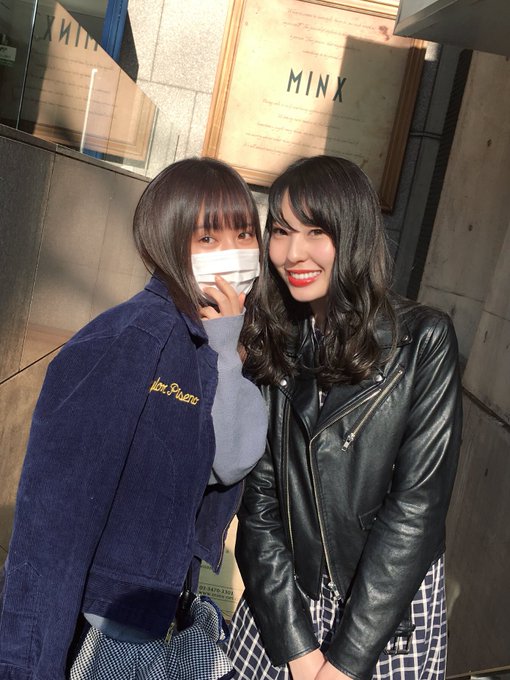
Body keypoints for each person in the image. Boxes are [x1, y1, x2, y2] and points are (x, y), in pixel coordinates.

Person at [0, 157, 268, 680]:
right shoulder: (130, 340)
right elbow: (52, 521)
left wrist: (227, 342)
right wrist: (26, 663)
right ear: (166, 242)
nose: (232, 252)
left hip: (159, 618)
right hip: (102, 628)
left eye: (243, 234)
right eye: (207, 238)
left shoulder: (217, 341)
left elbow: (231, 459)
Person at [228, 155, 462, 680]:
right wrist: (299, 650)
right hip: (289, 605)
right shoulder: (274, 339)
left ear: (353, 234)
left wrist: (345, 663)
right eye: (281, 230)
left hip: (382, 618)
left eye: (317, 231)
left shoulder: (420, 341)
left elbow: (416, 510)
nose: (294, 253)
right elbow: (259, 505)